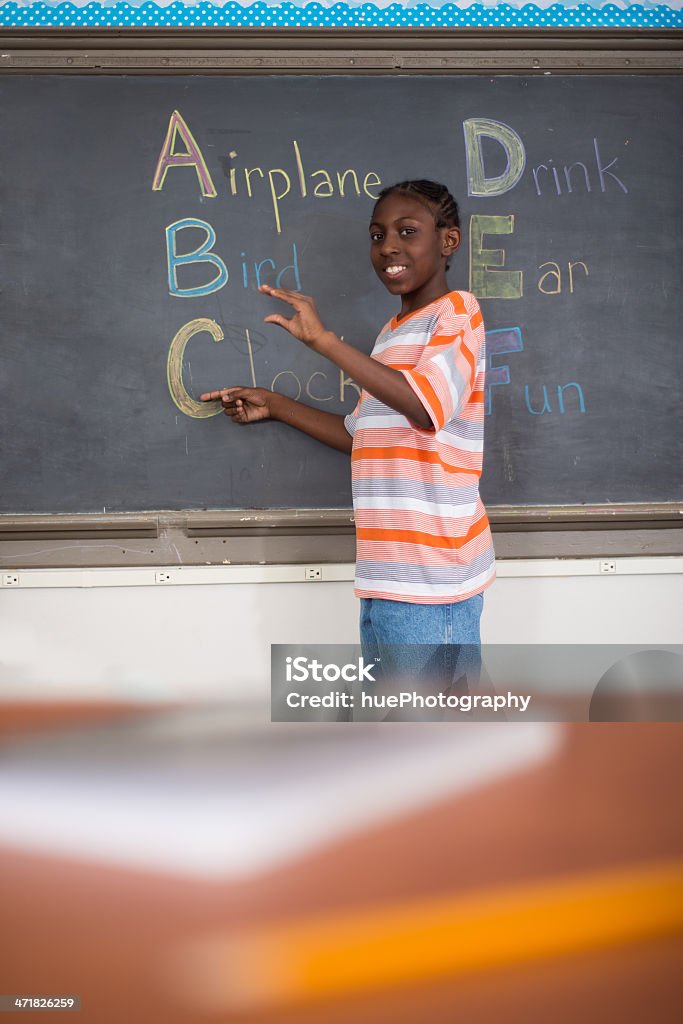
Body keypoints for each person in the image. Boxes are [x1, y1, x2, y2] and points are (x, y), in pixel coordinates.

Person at [201, 179, 495, 696]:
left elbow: (426, 406)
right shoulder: (391, 334)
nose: (388, 248)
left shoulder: (458, 313)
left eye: (408, 232)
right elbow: (360, 433)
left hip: (433, 579)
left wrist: (324, 341)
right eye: (377, 235)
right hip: (387, 574)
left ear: (448, 242)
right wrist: (277, 406)